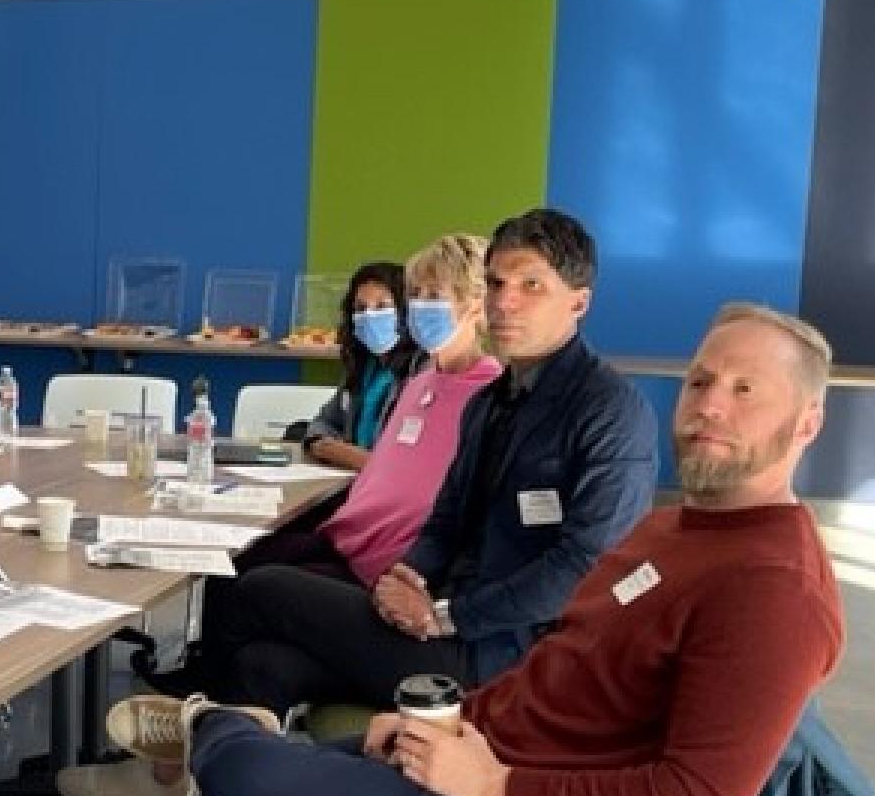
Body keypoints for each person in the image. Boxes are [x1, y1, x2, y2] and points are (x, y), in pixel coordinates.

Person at [122, 303, 844, 796]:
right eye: (700, 381)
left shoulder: (773, 588)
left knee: (246, 772)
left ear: (807, 423)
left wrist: (498, 786)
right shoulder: (673, 529)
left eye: (745, 391)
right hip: (478, 766)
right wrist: (434, 724)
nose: (709, 406)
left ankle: (205, 724)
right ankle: (223, 737)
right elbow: (558, 670)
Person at [68, 233, 502, 796]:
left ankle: (179, 744)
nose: (420, 306)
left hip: (409, 601)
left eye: (437, 295)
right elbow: (388, 475)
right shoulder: (423, 381)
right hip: (356, 554)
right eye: (418, 294)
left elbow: (446, 518)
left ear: (476, 304)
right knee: (261, 662)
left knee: (251, 585)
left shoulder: (488, 396)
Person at [222, 208, 658, 718]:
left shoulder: (610, 411)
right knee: (265, 665)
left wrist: (447, 616)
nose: (504, 303)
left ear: (579, 302)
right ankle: (216, 784)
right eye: (495, 284)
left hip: (507, 654)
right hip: (443, 620)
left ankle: (174, 759)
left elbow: (584, 569)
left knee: (261, 589)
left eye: (531, 286)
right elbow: (446, 522)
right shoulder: (490, 402)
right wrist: (404, 578)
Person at [301, 260, 421, 471]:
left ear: (405, 313)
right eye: (360, 308)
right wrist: (320, 444)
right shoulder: (364, 366)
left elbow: (403, 464)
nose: (369, 316)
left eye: (382, 307)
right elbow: (325, 421)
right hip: (350, 480)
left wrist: (340, 452)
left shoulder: (421, 372)